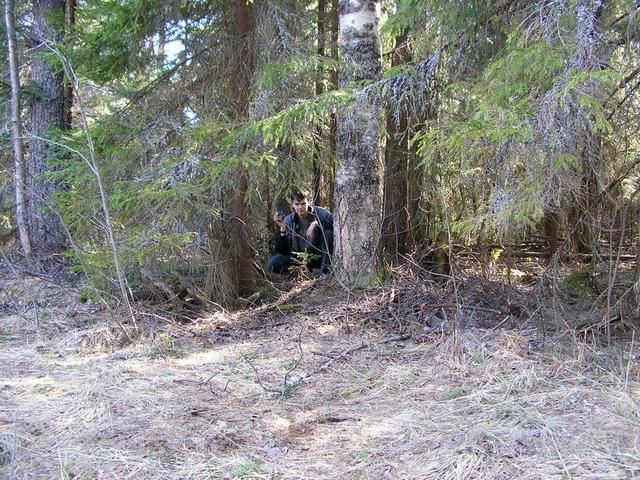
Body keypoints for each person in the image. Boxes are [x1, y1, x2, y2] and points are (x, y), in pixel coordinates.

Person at [267, 187, 334, 276]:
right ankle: (297, 273)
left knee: (328, 232)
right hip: (298, 258)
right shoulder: (288, 220)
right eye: (297, 204)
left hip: (318, 257)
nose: (300, 207)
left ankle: (324, 272)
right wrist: (282, 229)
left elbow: (335, 222)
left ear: (308, 202)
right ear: (292, 205)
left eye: (303, 204)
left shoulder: (319, 213)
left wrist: (316, 223)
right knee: (273, 264)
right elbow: (283, 251)